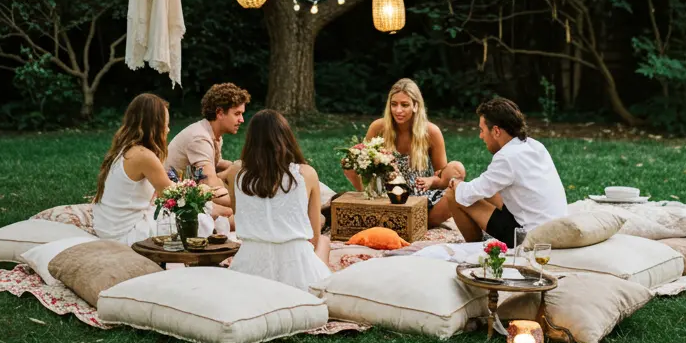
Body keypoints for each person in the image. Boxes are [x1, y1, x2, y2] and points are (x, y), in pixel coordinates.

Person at [430, 96, 567, 242]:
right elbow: (484, 187)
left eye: (482, 130)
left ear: (496, 131)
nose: (481, 136)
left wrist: (454, 183)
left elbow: (468, 194)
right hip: (556, 227)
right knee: (488, 191)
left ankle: (474, 246)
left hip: (529, 237)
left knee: (454, 195)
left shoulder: (507, 157)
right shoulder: (534, 145)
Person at [223, 110, 331, 292]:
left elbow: (238, 214)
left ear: (251, 140)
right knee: (325, 243)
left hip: (250, 262)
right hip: (296, 263)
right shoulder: (307, 173)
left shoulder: (236, 172)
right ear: (287, 138)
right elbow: (314, 235)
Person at [343, 77, 465, 228]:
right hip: (386, 198)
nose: (398, 110)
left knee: (457, 186)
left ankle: (411, 222)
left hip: (422, 200)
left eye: (404, 105)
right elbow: (363, 161)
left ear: (416, 106)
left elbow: (442, 175)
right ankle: (375, 208)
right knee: (349, 162)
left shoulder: (431, 132)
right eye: (394, 104)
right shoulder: (378, 127)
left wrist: (432, 181)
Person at [166, 82, 251, 227]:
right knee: (242, 216)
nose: (241, 120)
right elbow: (210, 184)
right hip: (174, 202)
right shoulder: (200, 138)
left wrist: (236, 166)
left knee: (241, 209)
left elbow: (214, 163)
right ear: (219, 113)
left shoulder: (212, 134)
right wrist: (248, 199)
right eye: (237, 114)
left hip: (191, 194)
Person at [93, 92, 172, 245]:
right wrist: (203, 194)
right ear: (154, 125)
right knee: (199, 218)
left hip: (108, 229)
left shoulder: (125, 149)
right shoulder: (143, 156)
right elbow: (171, 195)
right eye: (165, 124)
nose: (168, 130)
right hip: (124, 235)